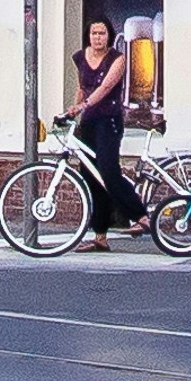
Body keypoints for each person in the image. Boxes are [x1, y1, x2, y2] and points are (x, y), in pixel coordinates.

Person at [70, 17, 147, 248]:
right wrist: (72, 113)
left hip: (109, 121)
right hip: (89, 123)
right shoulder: (80, 57)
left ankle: (141, 216)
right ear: (88, 35)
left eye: (102, 33)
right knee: (91, 177)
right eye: (94, 33)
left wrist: (84, 106)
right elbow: (82, 88)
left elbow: (105, 87)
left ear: (109, 36)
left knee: (108, 171)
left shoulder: (117, 59)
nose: (97, 38)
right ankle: (100, 237)